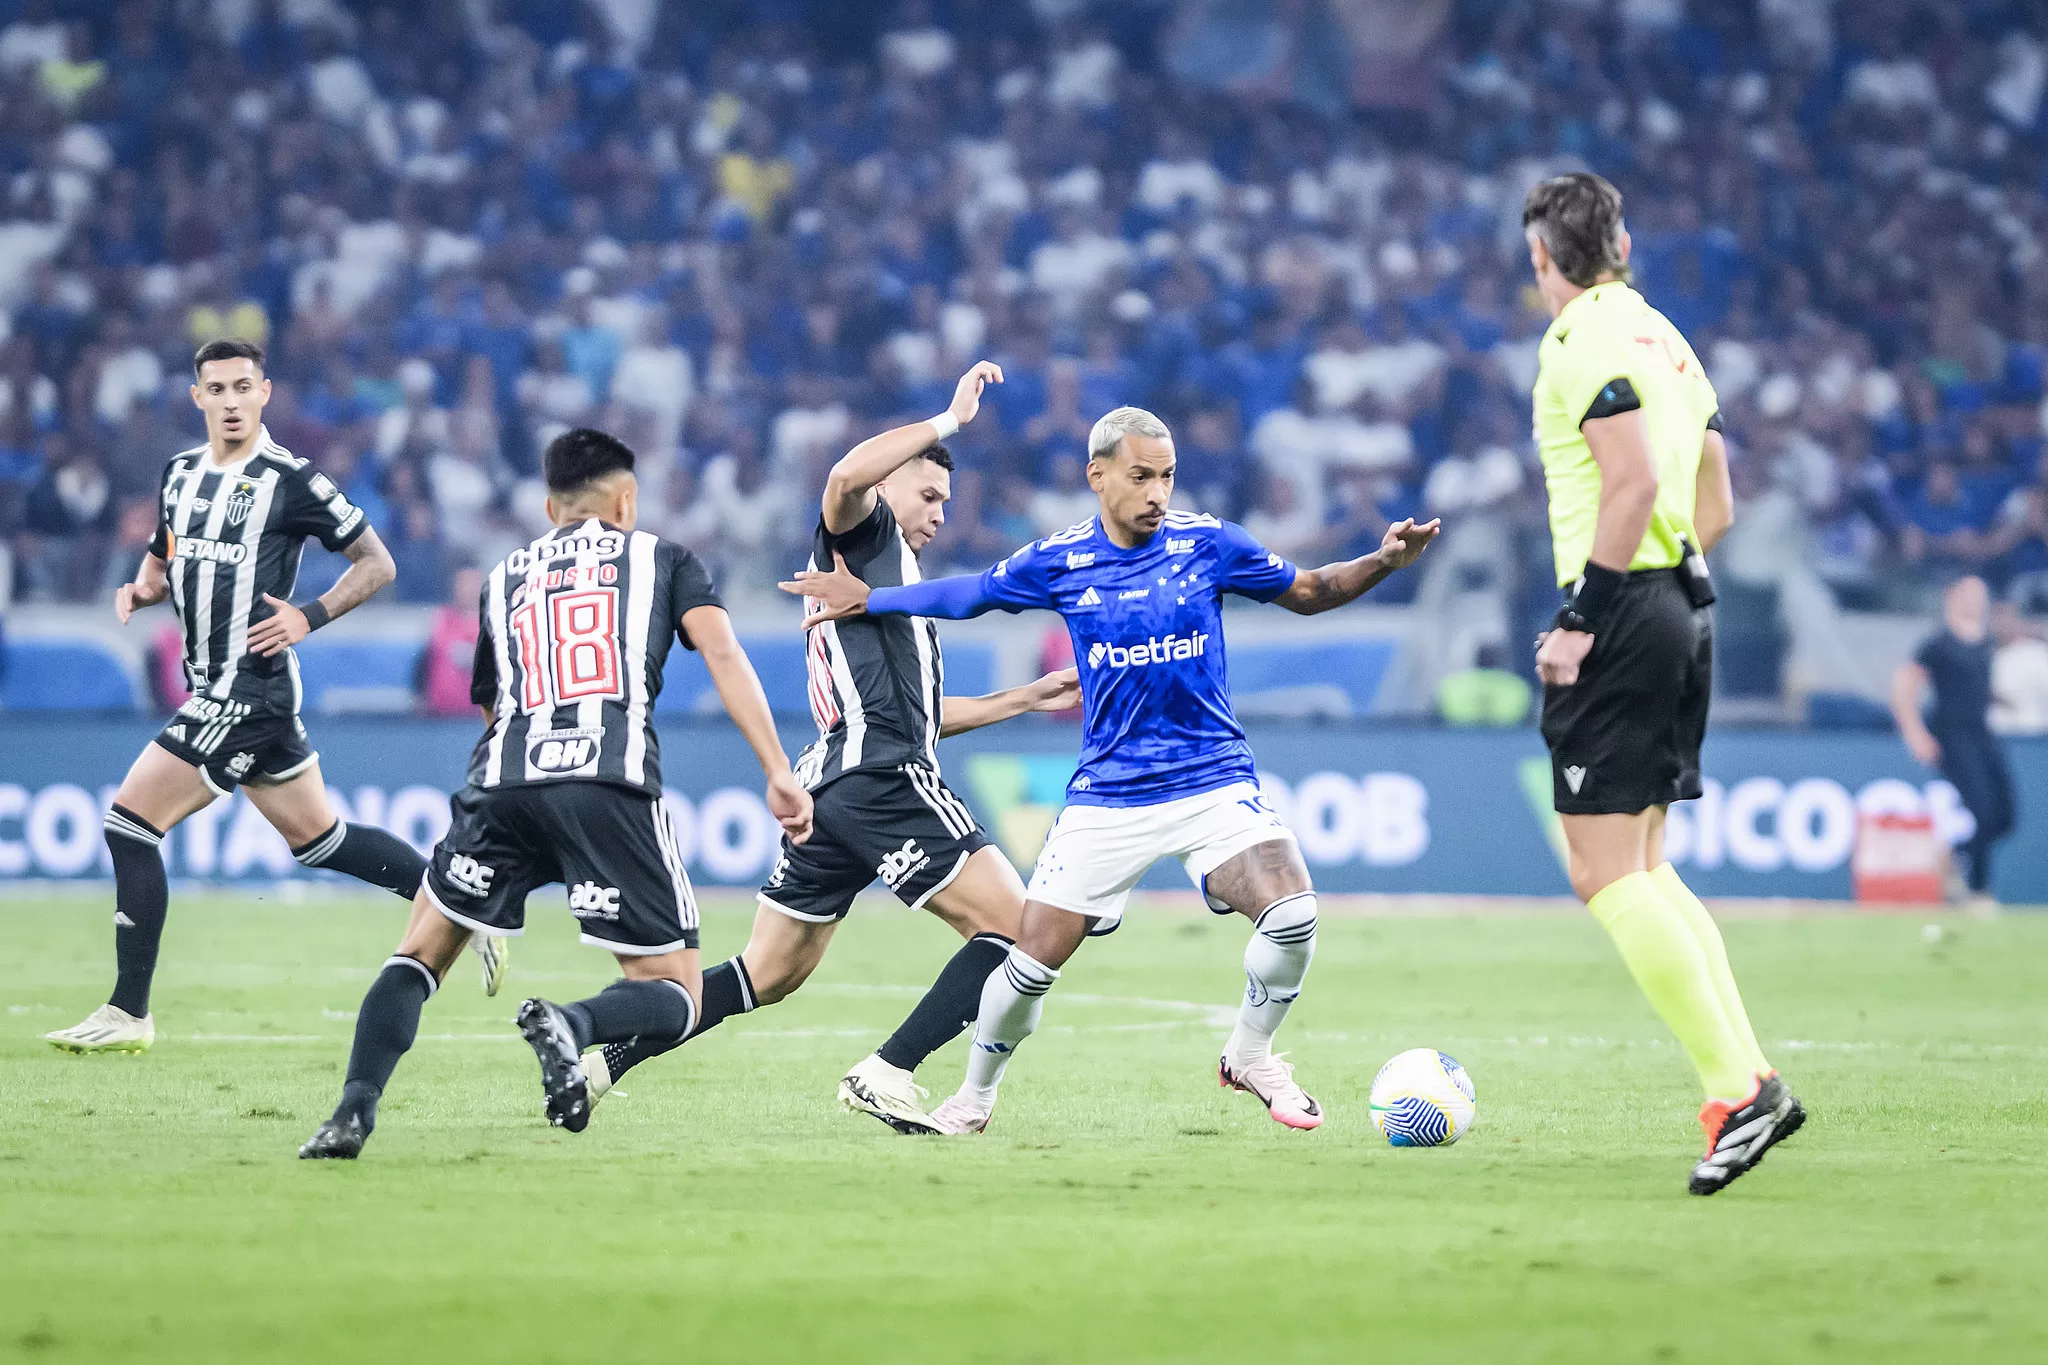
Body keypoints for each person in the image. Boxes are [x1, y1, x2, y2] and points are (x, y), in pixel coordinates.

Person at [786, 406, 1440, 1135]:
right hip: (1109, 797)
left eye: (1166, 476)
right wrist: (874, 598)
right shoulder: (1062, 559)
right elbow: (971, 595)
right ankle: (972, 1097)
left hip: (1212, 777)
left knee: (1293, 914)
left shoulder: (1208, 543)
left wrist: (1383, 561)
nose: (1157, 492)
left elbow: (1311, 591)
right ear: (1098, 477)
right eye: (1140, 476)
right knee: (1027, 963)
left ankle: (1251, 1053)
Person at [582, 362, 1082, 1134]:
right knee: (1020, 929)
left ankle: (601, 1061)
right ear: (891, 488)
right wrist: (948, 420)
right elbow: (846, 475)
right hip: (882, 776)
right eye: (928, 493)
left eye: (946, 500)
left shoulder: (894, 583)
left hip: (832, 789)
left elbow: (917, 713)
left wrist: (1025, 697)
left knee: (767, 973)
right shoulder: (866, 534)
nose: (940, 512)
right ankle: (887, 1069)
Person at [298, 427, 814, 1159]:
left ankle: (351, 1110)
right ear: (627, 499)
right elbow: (724, 653)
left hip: (502, 779)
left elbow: (489, 700)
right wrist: (777, 768)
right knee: (677, 993)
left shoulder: (504, 575)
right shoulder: (664, 558)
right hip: (608, 778)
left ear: (551, 506)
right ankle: (571, 1025)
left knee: (418, 952)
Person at [1522, 173, 1802, 1195]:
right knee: (1643, 865)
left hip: (1625, 610)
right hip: (1684, 599)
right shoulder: (1662, 336)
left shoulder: (1576, 340)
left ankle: (1737, 1093)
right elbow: (1712, 496)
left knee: (1601, 872)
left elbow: (1633, 477)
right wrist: (1662, 578)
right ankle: (1749, 1077)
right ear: (1623, 243)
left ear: (1543, 259)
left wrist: (1581, 619)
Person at [45, 340, 432, 1056]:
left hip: (247, 689)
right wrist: (145, 585)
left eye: (241, 387)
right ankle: (452, 900)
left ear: (264, 393)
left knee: (130, 823)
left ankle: (129, 1011)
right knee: (321, 841)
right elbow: (164, 551)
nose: (229, 400)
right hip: (216, 686)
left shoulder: (291, 478)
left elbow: (378, 562)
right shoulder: (180, 473)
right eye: (215, 388)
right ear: (197, 397)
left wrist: (307, 615)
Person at [1890, 576, 2015, 904]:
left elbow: (1976, 686)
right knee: (1983, 813)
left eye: (1982, 595)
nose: (1977, 602)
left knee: (2005, 817)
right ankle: (1978, 890)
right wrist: (1916, 734)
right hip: (1951, 736)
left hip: (1982, 734)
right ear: (1953, 597)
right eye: (1970, 594)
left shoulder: (1986, 642)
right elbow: (1905, 687)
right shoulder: (1938, 644)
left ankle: (1955, 853)